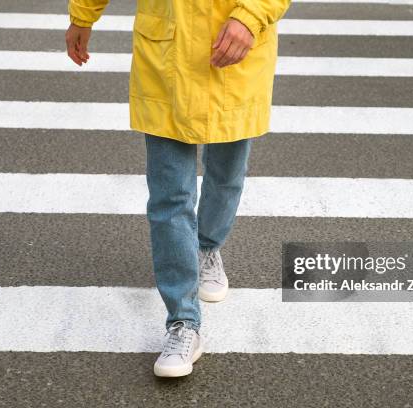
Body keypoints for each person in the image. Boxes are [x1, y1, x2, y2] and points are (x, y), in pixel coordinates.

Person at [66, 0, 291, 377]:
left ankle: (207, 247)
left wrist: (250, 17)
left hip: (234, 51)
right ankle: (183, 322)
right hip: (166, 56)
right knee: (170, 197)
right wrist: (82, 15)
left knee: (226, 176)